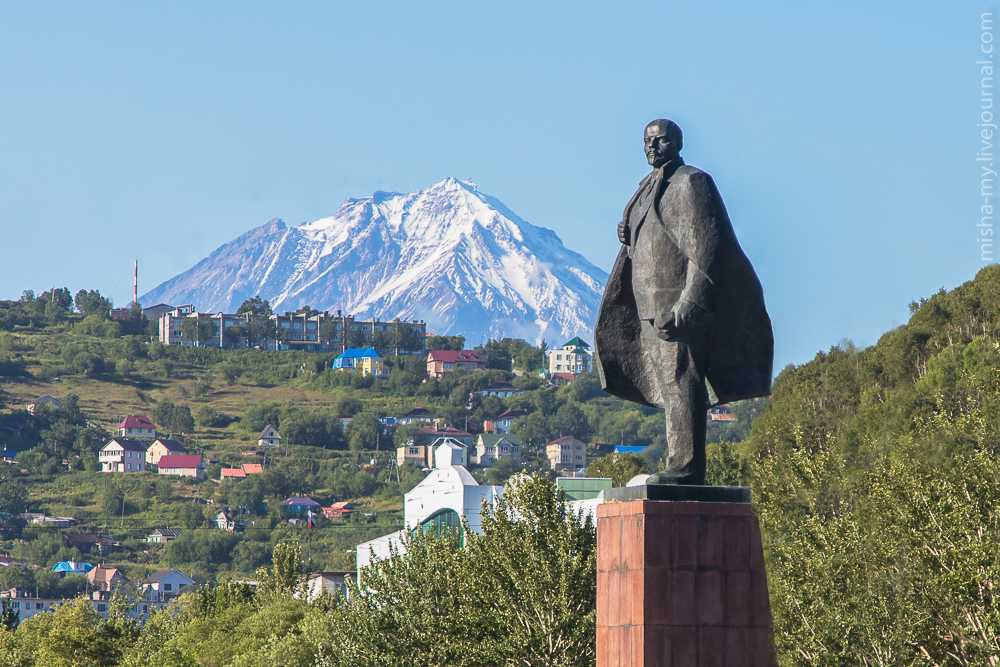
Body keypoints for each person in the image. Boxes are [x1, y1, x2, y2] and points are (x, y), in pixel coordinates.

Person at [594, 118, 773, 485]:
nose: (652, 147)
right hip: (647, 308)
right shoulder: (646, 186)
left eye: (660, 141)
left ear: (676, 143)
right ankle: (679, 462)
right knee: (669, 388)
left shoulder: (691, 182)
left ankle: (687, 468)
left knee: (681, 383)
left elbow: (707, 251)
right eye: (647, 141)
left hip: (677, 309)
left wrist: (690, 305)